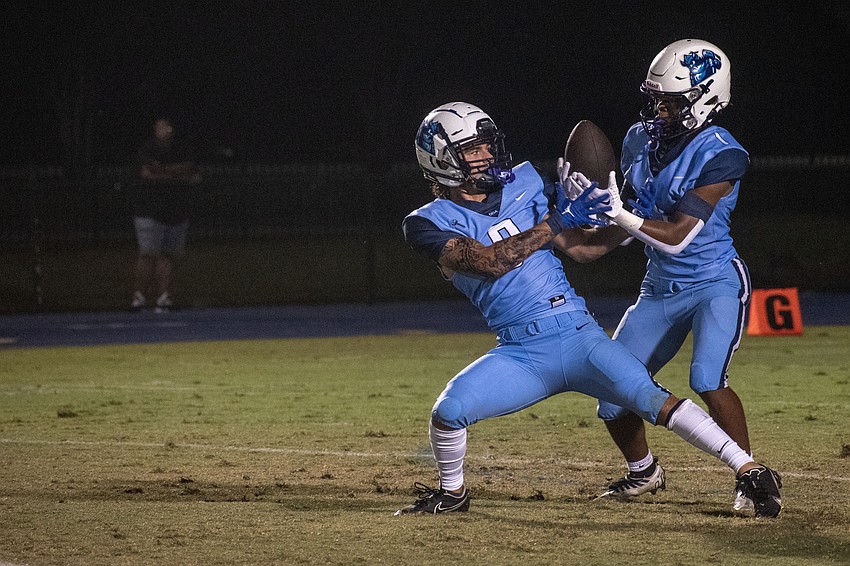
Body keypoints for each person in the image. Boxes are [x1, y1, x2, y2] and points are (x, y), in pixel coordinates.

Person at [396, 101, 782, 518]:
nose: (487, 156)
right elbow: (490, 262)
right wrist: (558, 220)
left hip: (579, 335)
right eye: (473, 149)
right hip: (521, 353)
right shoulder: (425, 223)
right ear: (441, 161)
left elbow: (582, 247)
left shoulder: (525, 181)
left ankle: (750, 470)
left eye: (489, 145)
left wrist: (628, 217)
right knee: (448, 411)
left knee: (650, 398)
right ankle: (452, 493)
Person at [571, 39, 774, 515]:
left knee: (707, 378)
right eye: (655, 98)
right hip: (659, 286)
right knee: (611, 391)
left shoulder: (724, 153)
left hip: (713, 282)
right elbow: (636, 216)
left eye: (673, 101)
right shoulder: (638, 139)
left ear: (707, 98)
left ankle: (751, 478)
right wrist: (576, 233)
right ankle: (644, 473)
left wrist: (619, 215)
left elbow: (678, 236)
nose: (659, 110)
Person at [130, 116, 201, 313]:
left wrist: (162, 171)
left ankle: (163, 297)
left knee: (166, 255)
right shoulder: (147, 148)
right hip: (149, 210)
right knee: (147, 254)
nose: (161, 130)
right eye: (158, 127)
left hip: (175, 211)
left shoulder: (182, 148)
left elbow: (191, 170)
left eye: (164, 126)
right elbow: (147, 172)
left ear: (171, 129)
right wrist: (177, 175)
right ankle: (139, 297)